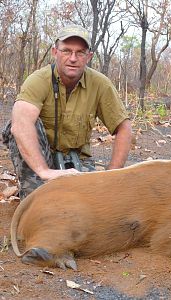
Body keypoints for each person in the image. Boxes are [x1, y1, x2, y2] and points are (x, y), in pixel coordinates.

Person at [2, 24, 132, 199]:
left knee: (94, 203)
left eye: (80, 52)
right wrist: (44, 171)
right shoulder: (38, 80)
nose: (73, 58)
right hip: (41, 158)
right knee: (41, 204)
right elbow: (20, 124)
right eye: (66, 51)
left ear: (89, 56)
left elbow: (124, 127)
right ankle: (32, 189)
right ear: (55, 52)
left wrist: (112, 175)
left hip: (77, 159)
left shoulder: (101, 84)